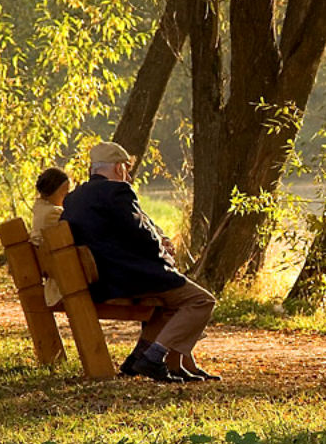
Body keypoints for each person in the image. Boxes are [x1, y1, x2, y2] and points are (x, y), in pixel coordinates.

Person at [61, 141, 218, 383]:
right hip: (130, 277)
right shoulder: (118, 191)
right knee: (202, 300)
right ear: (117, 168)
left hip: (99, 278)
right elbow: (141, 234)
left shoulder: (73, 198)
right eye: (125, 167)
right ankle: (154, 358)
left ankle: (144, 359)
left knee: (171, 304)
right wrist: (162, 249)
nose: (127, 173)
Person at [30, 167, 70, 307]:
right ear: (51, 192)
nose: (67, 196)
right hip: (61, 278)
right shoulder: (53, 214)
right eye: (64, 193)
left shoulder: (41, 210)